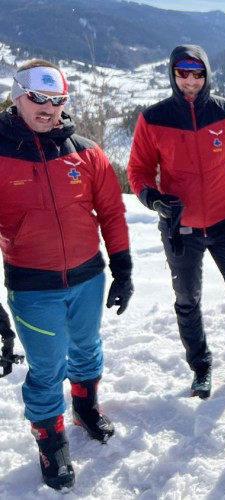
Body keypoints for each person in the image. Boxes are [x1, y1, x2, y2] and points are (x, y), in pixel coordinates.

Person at [0, 60, 133, 491]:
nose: (48, 109)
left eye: (57, 100)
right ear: (17, 95)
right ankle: (50, 439)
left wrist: (123, 266)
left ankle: (85, 407)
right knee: (46, 366)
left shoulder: (86, 151)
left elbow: (111, 212)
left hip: (87, 276)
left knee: (87, 347)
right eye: (38, 98)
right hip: (32, 283)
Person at [128, 45, 225, 400]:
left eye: (197, 73)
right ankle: (201, 365)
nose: (190, 80)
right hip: (180, 227)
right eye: (182, 73)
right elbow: (139, 171)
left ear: (207, 74)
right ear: (172, 75)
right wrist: (153, 199)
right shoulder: (153, 119)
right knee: (187, 299)